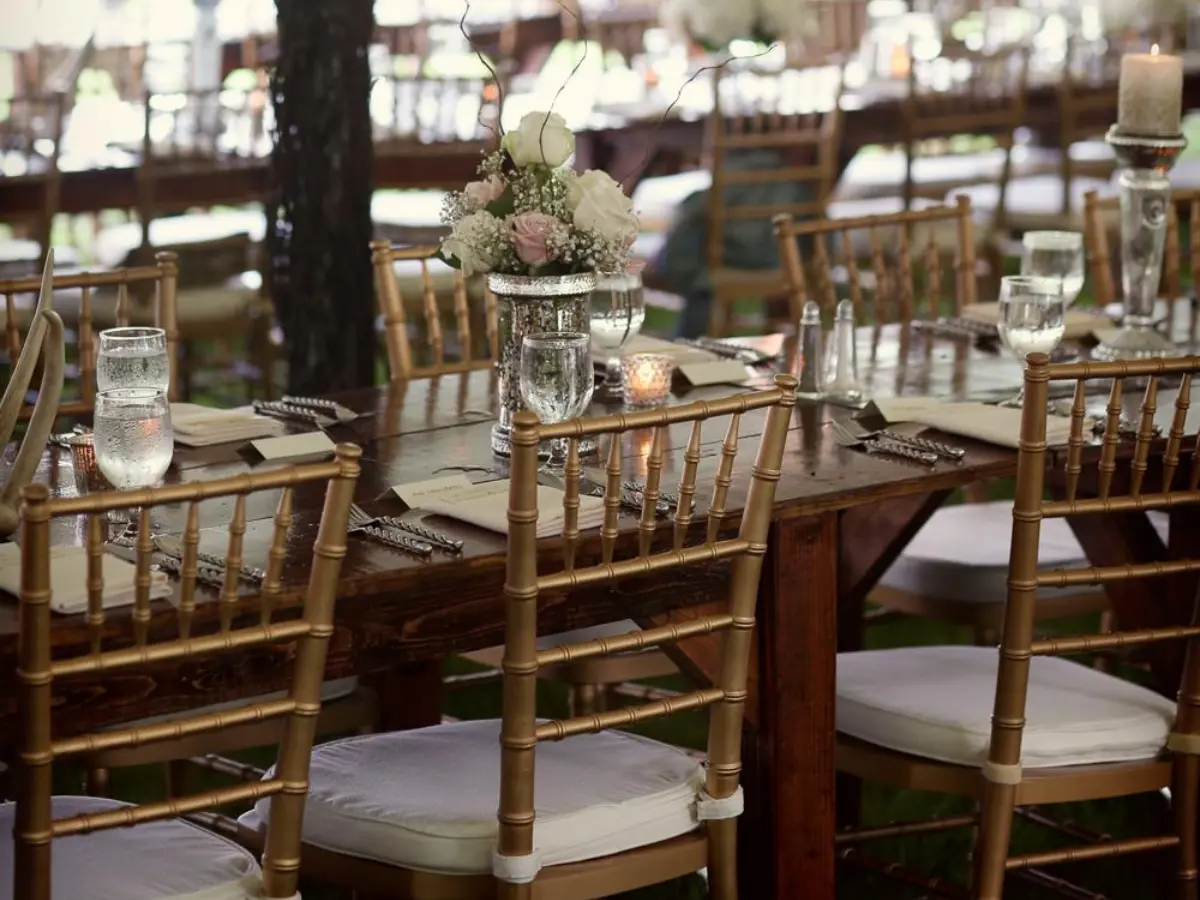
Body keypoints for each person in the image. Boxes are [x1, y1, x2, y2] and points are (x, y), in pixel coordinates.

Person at [645, 147, 813, 338]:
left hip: (732, 260)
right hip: (785, 260)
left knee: (698, 271)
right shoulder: (795, 184)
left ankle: (691, 339)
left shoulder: (730, 178)